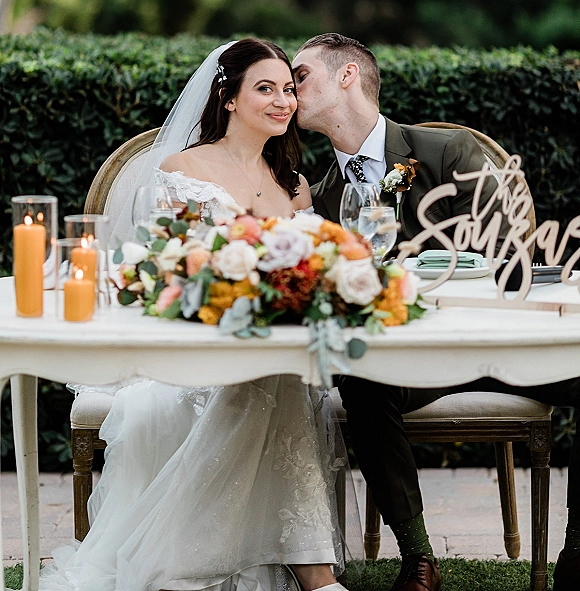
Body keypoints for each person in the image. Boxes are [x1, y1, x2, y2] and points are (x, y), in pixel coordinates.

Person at [40, 39, 357, 591]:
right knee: (273, 379)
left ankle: (248, 567)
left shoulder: (294, 186)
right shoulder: (182, 168)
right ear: (228, 98)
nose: (283, 101)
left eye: (288, 89)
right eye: (265, 88)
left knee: (277, 373)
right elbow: (168, 274)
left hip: (270, 347)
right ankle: (312, 575)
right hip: (192, 356)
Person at [292, 33, 580, 591]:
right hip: (406, 362)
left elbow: (502, 251)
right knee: (360, 380)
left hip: (501, 343)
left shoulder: (449, 151)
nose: (290, 88)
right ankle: (418, 557)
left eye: (301, 75)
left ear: (347, 75)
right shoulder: (322, 199)